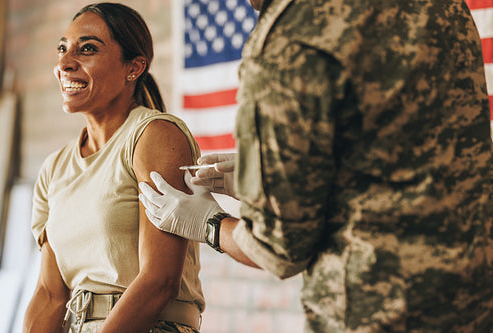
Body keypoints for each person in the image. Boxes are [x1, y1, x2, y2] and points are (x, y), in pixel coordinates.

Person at [139, 0, 493, 332]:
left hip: (378, 310)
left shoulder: (293, 40)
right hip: (475, 297)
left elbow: (280, 248)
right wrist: (268, 175)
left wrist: (209, 223)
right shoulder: (441, 6)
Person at [23, 3, 204, 333]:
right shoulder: (54, 169)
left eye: (88, 48)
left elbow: (159, 281)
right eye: (63, 49)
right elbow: (50, 295)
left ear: (133, 68)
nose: (64, 63)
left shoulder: (154, 136)